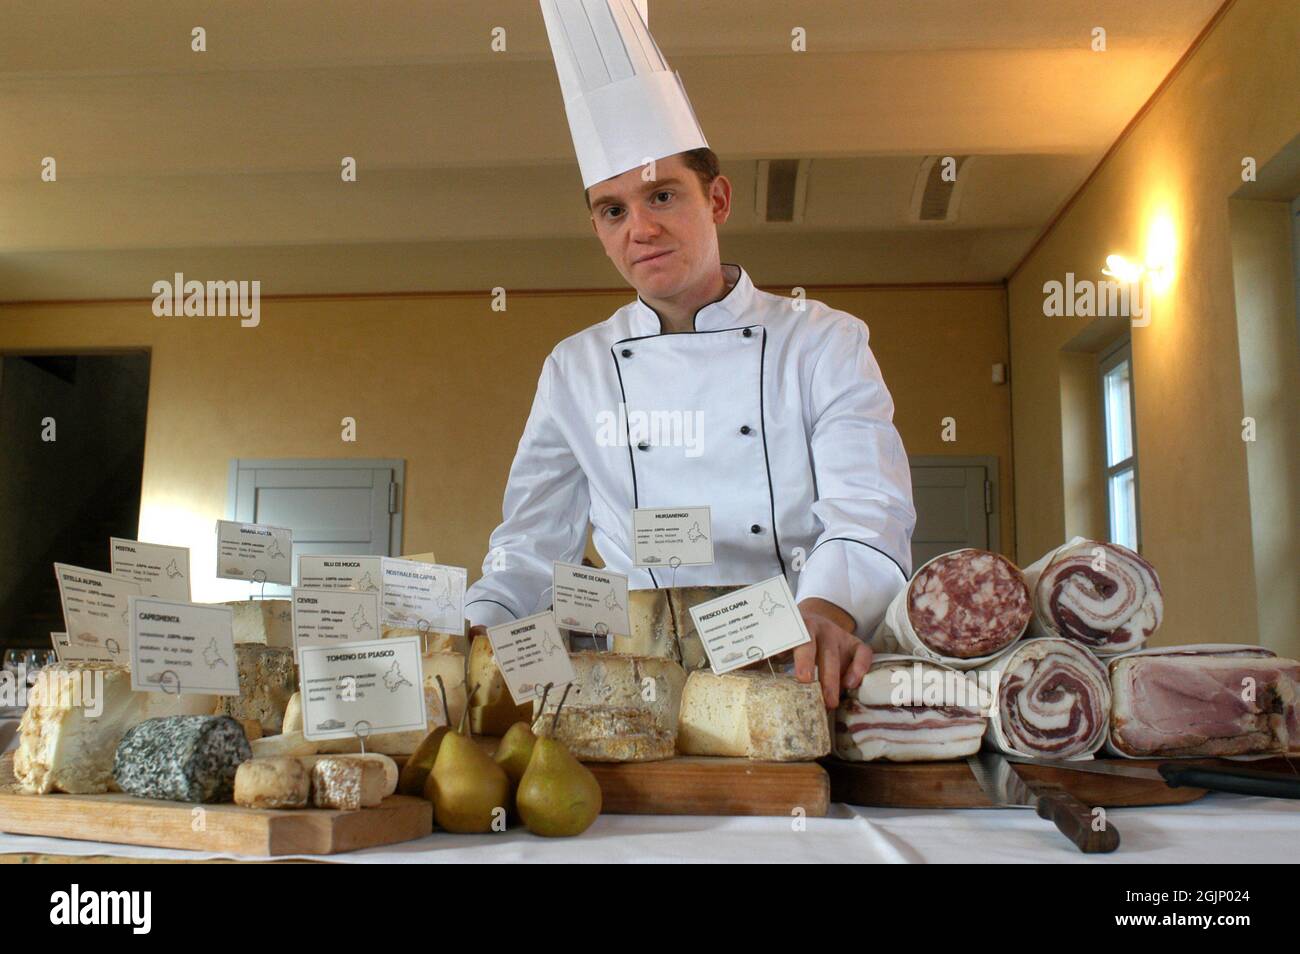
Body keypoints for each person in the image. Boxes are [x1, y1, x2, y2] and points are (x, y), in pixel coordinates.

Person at [464, 0, 915, 708]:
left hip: (796, 674)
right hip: (637, 691)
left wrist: (827, 610)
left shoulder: (823, 341)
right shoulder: (575, 369)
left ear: (719, 200)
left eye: (662, 195)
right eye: (613, 210)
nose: (639, 228)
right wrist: (476, 628)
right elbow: (529, 550)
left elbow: (868, 511)